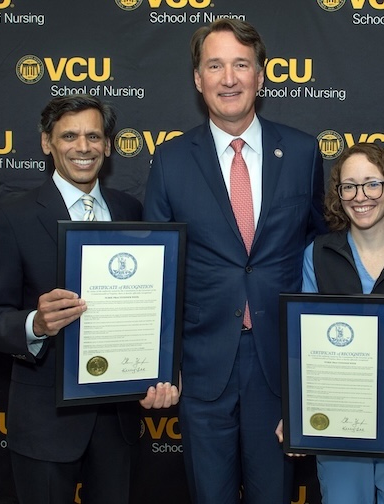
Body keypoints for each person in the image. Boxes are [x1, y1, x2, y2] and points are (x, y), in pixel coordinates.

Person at [142, 19, 325, 504]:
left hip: (278, 367)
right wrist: (161, 363)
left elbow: (322, 257)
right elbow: (158, 274)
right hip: (202, 367)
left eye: (241, 64)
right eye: (215, 65)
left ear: (260, 76)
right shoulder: (170, 160)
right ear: (198, 79)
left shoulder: (304, 152)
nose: (229, 78)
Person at [0, 95, 179, 504]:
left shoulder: (131, 210)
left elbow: (156, 307)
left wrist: (162, 371)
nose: (83, 147)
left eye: (93, 136)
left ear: (109, 145)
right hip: (46, 423)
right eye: (69, 136)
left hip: (119, 421)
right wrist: (35, 324)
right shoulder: (11, 217)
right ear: (47, 143)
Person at [285, 142, 384, 503]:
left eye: (372, 184)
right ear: (338, 194)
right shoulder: (318, 254)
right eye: (349, 186)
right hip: (340, 426)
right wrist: (295, 416)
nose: (361, 196)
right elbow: (304, 350)